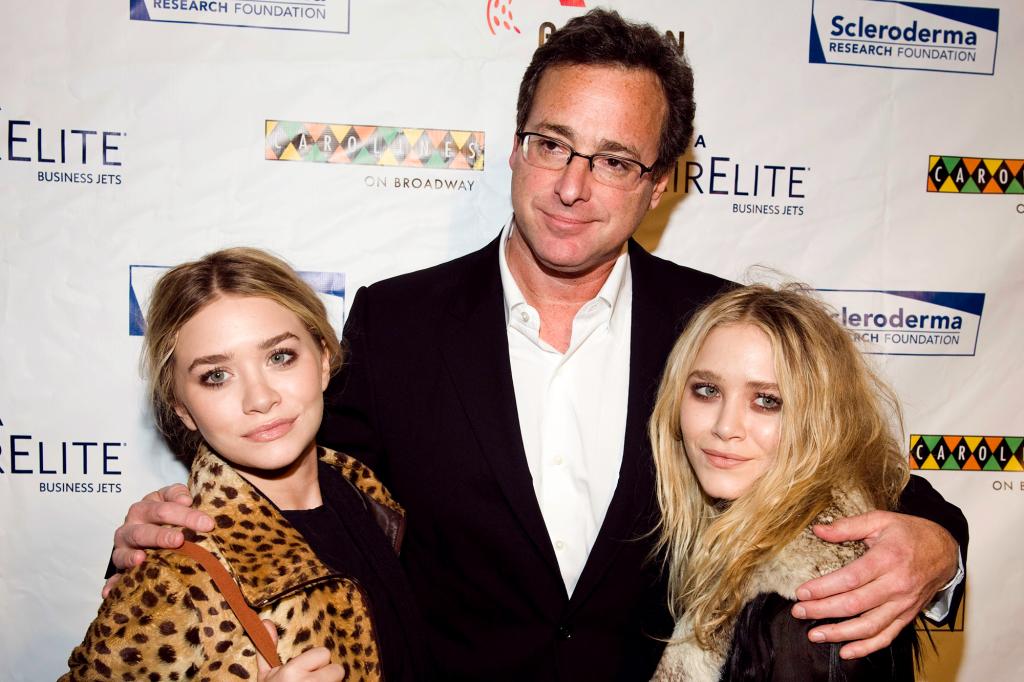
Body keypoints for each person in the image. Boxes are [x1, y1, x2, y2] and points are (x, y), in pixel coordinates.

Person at [106, 10, 967, 680]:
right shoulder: (399, 321)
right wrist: (183, 535)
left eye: (615, 160)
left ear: (663, 181)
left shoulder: (720, 329)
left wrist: (940, 551)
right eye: (551, 143)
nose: (571, 185)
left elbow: (870, 481)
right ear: (515, 146)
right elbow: (314, 500)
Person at [65, 248, 425, 681]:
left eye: (280, 357)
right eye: (216, 376)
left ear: (324, 360)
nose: (260, 398)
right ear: (182, 409)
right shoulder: (178, 576)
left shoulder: (367, 495)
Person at [650, 285, 919, 681]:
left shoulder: (809, 605)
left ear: (821, 419)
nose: (725, 427)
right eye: (707, 391)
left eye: (767, 401)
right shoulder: (728, 538)